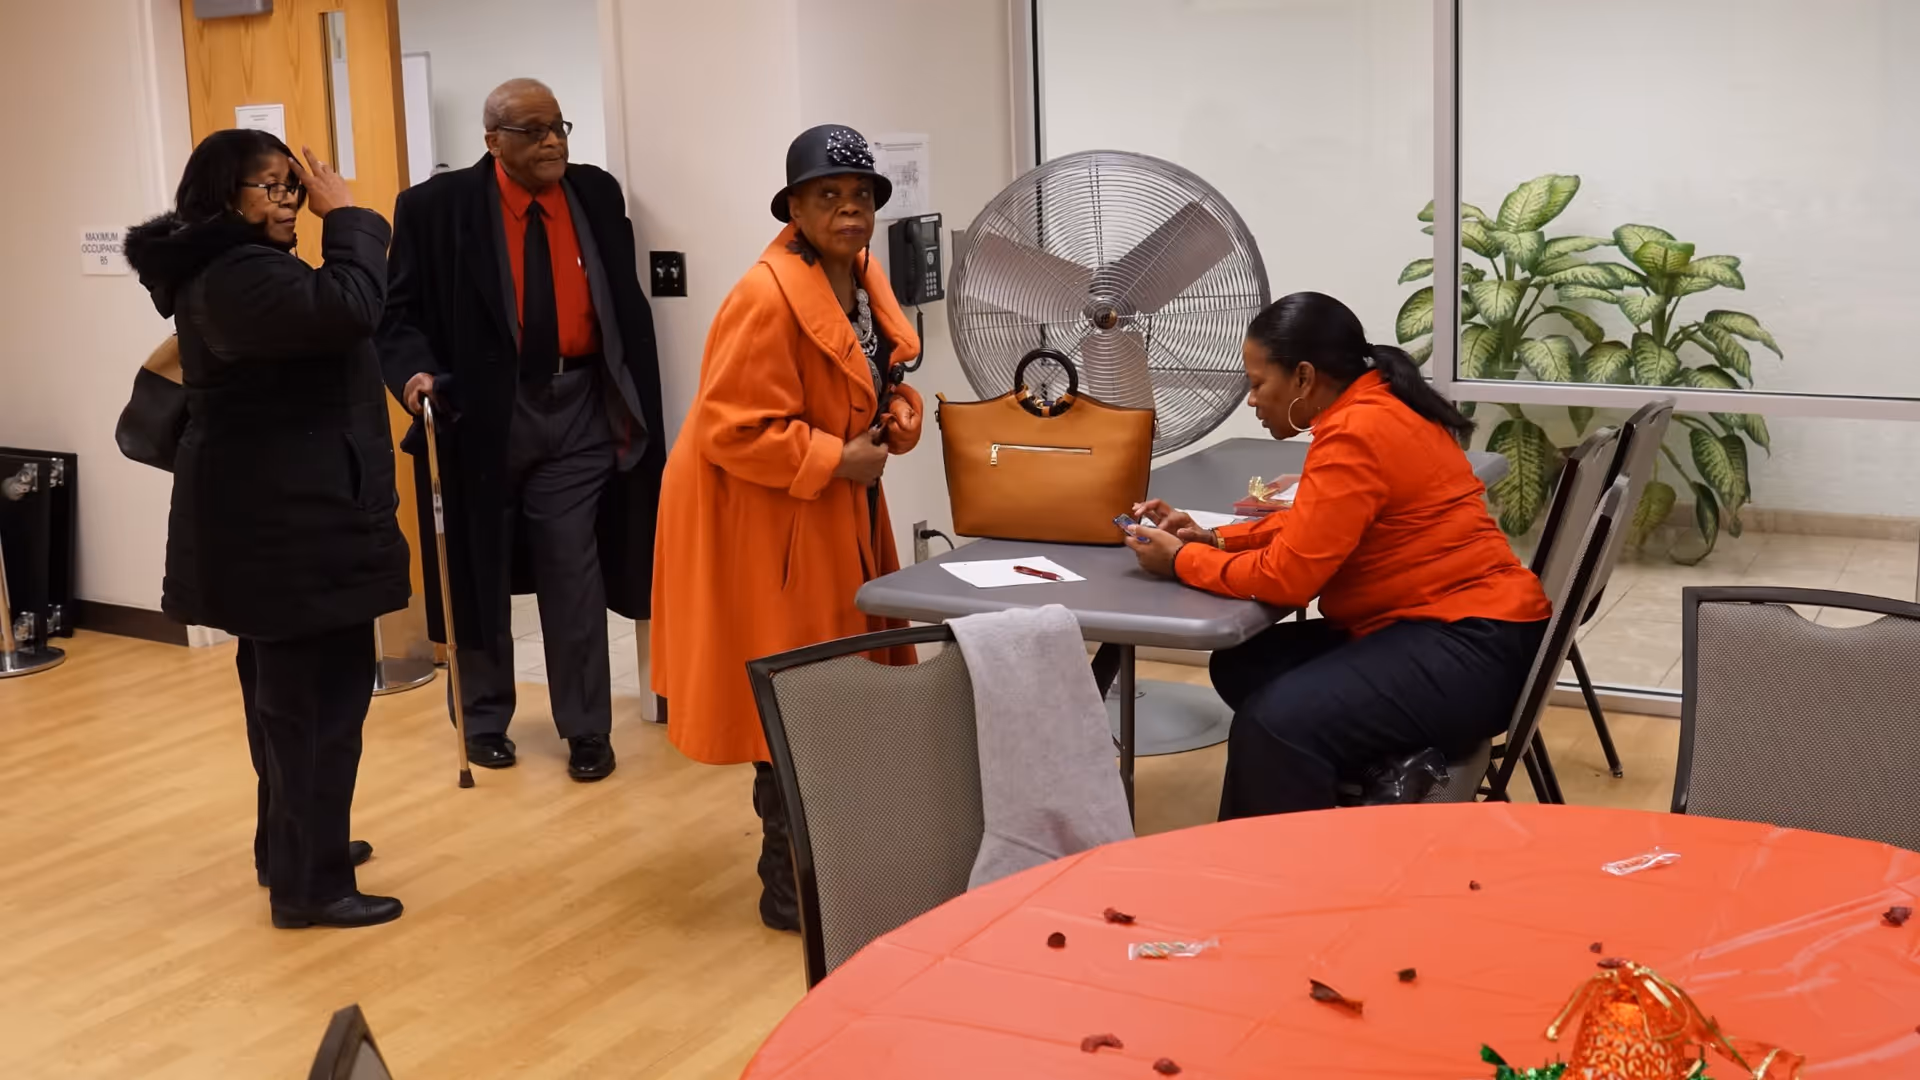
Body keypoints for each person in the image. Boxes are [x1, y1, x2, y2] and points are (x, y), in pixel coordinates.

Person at [125, 131, 410, 928]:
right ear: (226, 198)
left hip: (282, 531)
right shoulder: (241, 276)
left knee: (288, 709)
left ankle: (291, 849)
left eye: (295, 185)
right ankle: (311, 886)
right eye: (273, 186)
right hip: (294, 536)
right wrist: (346, 217)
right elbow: (351, 308)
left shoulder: (234, 269)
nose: (292, 199)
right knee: (317, 712)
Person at [1125, 292, 1552, 818]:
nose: (1252, 400)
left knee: (1274, 724)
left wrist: (1178, 561)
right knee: (1248, 663)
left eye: (1258, 384)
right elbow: (1318, 523)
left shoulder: (1356, 432)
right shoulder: (1382, 406)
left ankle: (1282, 864)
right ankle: (1389, 773)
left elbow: (1286, 579)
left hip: (1466, 650)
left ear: (1304, 378)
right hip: (1474, 634)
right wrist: (1214, 540)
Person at [651, 124, 925, 931]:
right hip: (767, 513)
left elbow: (871, 373)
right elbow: (730, 430)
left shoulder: (861, 276)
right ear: (795, 210)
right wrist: (837, 458)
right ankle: (792, 889)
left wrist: (897, 413)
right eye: (827, 196)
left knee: (842, 679)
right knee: (802, 688)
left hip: (827, 500)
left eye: (861, 195)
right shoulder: (765, 297)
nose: (849, 209)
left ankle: (839, 865)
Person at [377, 78, 666, 781]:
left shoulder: (595, 194)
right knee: (476, 568)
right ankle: (483, 720)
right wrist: (413, 376)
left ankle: (587, 729)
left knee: (574, 570)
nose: (552, 142)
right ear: (493, 141)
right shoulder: (436, 208)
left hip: (578, 405)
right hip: (480, 416)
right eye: (533, 131)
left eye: (559, 127)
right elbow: (398, 315)